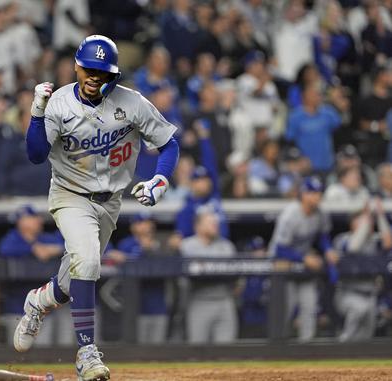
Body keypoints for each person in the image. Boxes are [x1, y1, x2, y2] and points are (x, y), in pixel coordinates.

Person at [15, 35, 179, 381]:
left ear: (112, 75)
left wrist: (159, 181)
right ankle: (86, 353)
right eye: (88, 69)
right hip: (70, 194)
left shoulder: (131, 103)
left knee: (71, 279)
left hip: (110, 202)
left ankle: (40, 301)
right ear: (76, 66)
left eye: (101, 72)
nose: (93, 77)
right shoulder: (58, 103)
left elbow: (168, 144)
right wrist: (36, 113)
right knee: (88, 262)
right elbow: (35, 155)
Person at [268, 176, 339, 342]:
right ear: (303, 194)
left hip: (305, 264)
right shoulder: (290, 215)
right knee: (286, 307)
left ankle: (306, 347)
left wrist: (328, 249)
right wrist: (303, 258)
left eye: (318, 193)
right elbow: (280, 248)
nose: (316, 197)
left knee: (310, 305)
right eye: (312, 193)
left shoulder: (321, 213)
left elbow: (323, 235)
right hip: (283, 264)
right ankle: (278, 347)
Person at [0, 205, 67, 347]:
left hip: (45, 308)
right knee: (17, 350)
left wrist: (53, 250)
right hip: (17, 307)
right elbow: (4, 250)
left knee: (44, 350)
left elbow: (67, 246)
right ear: (22, 221)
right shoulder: (12, 239)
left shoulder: (46, 238)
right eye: (33, 218)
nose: (39, 220)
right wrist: (32, 248)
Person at [334, 199, 392, 342]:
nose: (368, 224)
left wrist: (380, 216)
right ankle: (341, 347)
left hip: (370, 293)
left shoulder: (374, 240)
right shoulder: (342, 239)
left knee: (367, 335)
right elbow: (354, 247)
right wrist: (366, 218)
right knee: (357, 312)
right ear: (352, 223)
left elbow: (388, 242)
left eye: (369, 221)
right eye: (361, 220)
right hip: (348, 293)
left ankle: (357, 364)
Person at [179, 210, 238, 344]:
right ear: (198, 226)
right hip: (199, 300)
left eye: (216, 223)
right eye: (211, 223)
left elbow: (232, 272)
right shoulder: (187, 245)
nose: (215, 226)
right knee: (197, 349)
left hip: (224, 300)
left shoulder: (226, 246)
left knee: (226, 349)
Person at [112, 213, 169, 344]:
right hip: (135, 308)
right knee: (137, 350)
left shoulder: (161, 243)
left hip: (158, 305)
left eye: (149, 222)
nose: (148, 225)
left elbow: (167, 265)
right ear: (134, 226)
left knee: (158, 349)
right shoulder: (126, 244)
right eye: (142, 222)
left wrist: (151, 250)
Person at [170, 121, 228, 249]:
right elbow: (180, 234)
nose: (204, 183)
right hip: (201, 248)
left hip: (220, 246)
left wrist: (204, 138)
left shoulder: (214, 195)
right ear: (192, 183)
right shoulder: (189, 206)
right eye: (199, 180)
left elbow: (210, 162)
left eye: (206, 179)